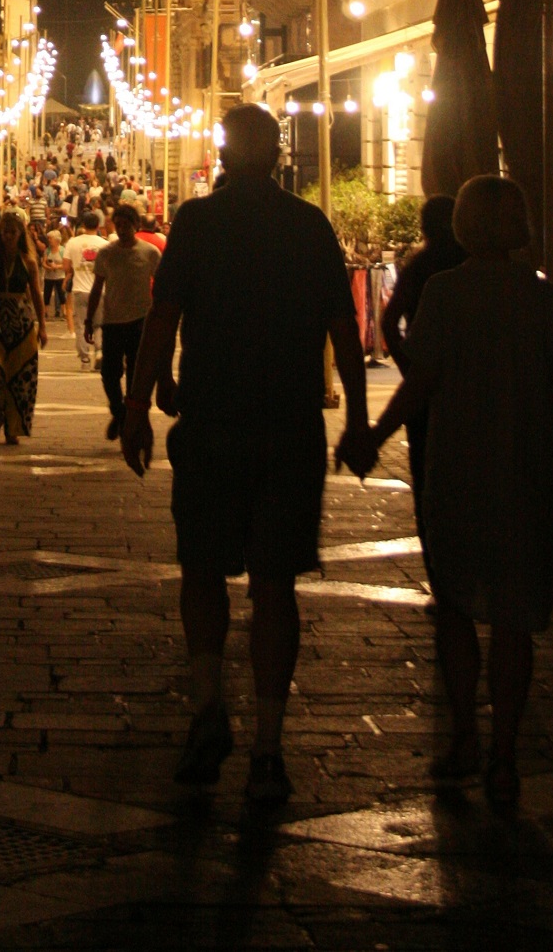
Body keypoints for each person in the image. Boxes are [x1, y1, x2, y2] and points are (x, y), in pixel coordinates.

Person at [120, 102, 368, 805]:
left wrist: (138, 407)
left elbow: (162, 317)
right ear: (280, 153)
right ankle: (268, 743)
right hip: (288, 428)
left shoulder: (198, 223)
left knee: (202, 570)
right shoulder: (309, 225)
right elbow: (342, 327)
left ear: (225, 153)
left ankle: (206, 710)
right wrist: (359, 417)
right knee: (275, 585)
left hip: (214, 421)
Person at [353, 175, 553, 809]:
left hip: (459, 466)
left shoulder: (447, 294)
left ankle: (463, 737)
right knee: (514, 623)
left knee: (454, 607)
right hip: (527, 474)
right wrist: (552, 467)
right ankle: (505, 754)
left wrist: (374, 436)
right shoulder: (545, 301)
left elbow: (420, 381)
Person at [380, 193, 464, 581]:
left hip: (426, 391)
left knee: (427, 483)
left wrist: (406, 361)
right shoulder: (470, 266)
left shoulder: (419, 266)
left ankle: (439, 574)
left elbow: (388, 320)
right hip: (470, 391)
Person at [0, 207, 47, 443]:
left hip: (22, 322)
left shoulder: (28, 262)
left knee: (21, 378)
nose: (9, 236)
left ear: (20, 234)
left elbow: (36, 294)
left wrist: (42, 326)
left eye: (13, 232)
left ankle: (12, 428)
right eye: (5, 232)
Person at [85, 200, 158, 440]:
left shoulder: (149, 253)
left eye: (127, 224)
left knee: (136, 373)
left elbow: (162, 287)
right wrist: (89, 319)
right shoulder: (106, 253)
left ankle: (129, 415)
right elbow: (97, 287)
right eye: (119, 225)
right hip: (113, 321)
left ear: (136, 226)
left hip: (140, 322)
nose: (122, 229)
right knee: (109, 373)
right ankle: (118, 410)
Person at [62, 211, 106, 367]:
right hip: (100, 290)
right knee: (99, 323)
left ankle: (84, 356)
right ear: (98, 225)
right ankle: (99, 351)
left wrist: (75, 269)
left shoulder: (72, 243)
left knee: (80, 323)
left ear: (83, 225)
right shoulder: (104, 244)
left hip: (79, 289)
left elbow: (66, 266)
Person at [42, 227, 68, 319]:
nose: (49, 240)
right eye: (48, 238)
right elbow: (44, 262)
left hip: (59, 275)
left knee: (61, 294)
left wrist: (56, 266)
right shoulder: (47, 250)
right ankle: (45, 311)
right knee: (47, 294)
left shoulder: (62, 250)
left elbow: (65, 264)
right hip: (49, 276)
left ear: (57, 240)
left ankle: (63, 311)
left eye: (50, 238)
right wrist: (48, 267)